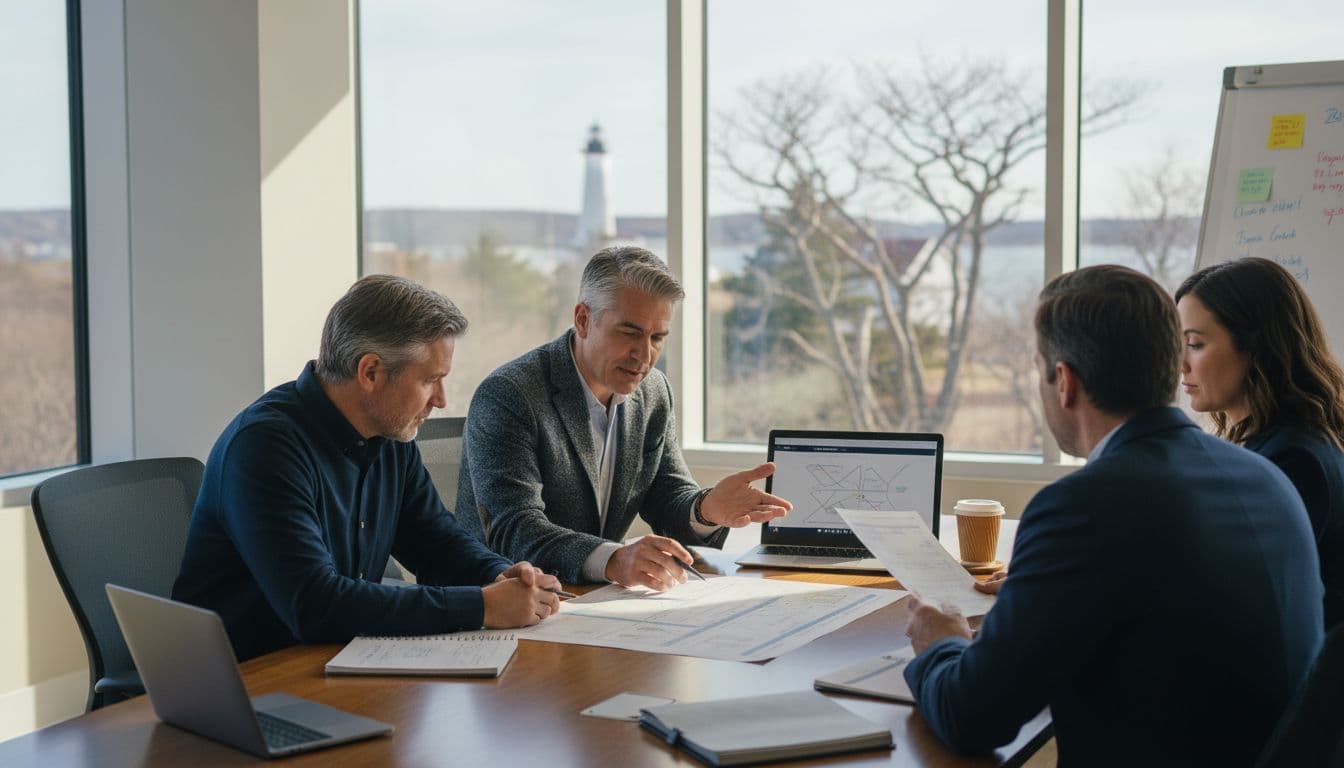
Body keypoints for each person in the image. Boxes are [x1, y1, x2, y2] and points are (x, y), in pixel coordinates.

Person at [901, 265, 1323, 765]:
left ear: (1064, 381)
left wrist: (939, 645)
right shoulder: (1267, 477)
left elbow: (971, 718)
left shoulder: (1082, 507)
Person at [173, 275, 560, 661]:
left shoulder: (389, 436)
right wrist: (481, 606)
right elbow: (315, 604)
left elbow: (436, 544)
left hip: (336, 660)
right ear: (370, 372)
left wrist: (500, 576)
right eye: (430, 380)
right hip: (249, 678)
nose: (441, 400)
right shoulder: (263, 448)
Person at [456, 245, 791, 589]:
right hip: (497, 603)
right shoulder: (510, 395)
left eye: (657, 337)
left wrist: (706, 510)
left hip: (589, 600)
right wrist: (614, 559)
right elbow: (515, 530)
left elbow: (668, 496)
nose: (644, 355)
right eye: (629, 333)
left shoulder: (653, 391)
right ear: (583, 320)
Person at [1176, 257, 1344, 630]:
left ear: (1255, 347)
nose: (1180, 363)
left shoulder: (1294, 460)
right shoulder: (1285, 440)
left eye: (1195, 344)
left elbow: (1239, 602)